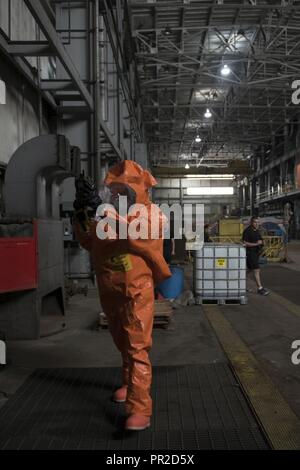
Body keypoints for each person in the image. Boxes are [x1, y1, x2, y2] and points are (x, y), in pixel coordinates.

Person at [73, 161, 171, 431]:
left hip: (137, 289)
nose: (116, 196)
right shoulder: (107, 216)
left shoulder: (152, 215)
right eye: (113, 191)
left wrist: (102, 215)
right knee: (122, 340)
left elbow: (135, 236)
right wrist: (81, 214)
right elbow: (88, 241)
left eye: (123, 191)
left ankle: (140, 407)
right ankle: (128, 384)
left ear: (138, 190)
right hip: (110, 288)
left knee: (137, 345)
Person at [242, 216, 270, 296]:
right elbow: (245, 243)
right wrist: (257, 244)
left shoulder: (257, 231)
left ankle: (239, 281)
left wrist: (263, 242)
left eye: (258, 222)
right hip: (250, 253)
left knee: (250, 270)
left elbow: (260, 240)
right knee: (256, 270)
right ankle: (260, 288)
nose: (257, 224)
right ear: (251, 222)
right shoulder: (247, 231)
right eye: (255, 222)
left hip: (256, 253)